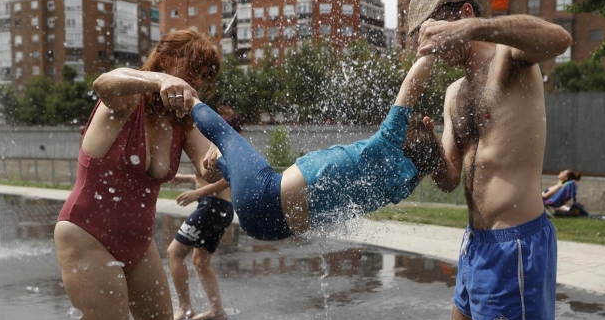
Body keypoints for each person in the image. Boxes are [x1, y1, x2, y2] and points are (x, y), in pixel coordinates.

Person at [407, 0, 572, 320]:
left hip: (515, 244)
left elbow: (559, 38)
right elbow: (447, 178)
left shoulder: (511, 58)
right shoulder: (454, 93)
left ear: (462, 15)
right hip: (476, 244)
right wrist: (423, 148)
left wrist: (474, 29)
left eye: (434, 36)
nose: (434, 51)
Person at [53, 29, 223, 320]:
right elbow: (104, 81)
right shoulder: (127, 100)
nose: (195, 80)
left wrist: (219, 160)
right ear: (164, 60)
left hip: (138, 244)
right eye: (189, 68)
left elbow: (209, 165)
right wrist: (160, 81)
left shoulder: (182, 122)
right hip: (87, 237)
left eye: (204, 73)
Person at [168, 55, 446, 241]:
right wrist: (432, 142)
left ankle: (188, 100)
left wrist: (431, 48)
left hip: (265, 195)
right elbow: (430, 161)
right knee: (238, 166)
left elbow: (412, 85)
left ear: (401, 135)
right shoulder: (405, 184)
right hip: (274, 229)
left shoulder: (386, 142)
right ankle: (222, 164)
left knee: (226, 137)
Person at [166, 170, 234, 320]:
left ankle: (184, 308)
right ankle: (217, 310)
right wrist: (188, 177)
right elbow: (212, 176)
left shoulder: (212, 146)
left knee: (174, 253)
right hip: (219, 208)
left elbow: (229, 178)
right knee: (200, 262)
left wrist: (197, 193)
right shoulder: (209, 146)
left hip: (212, 207)